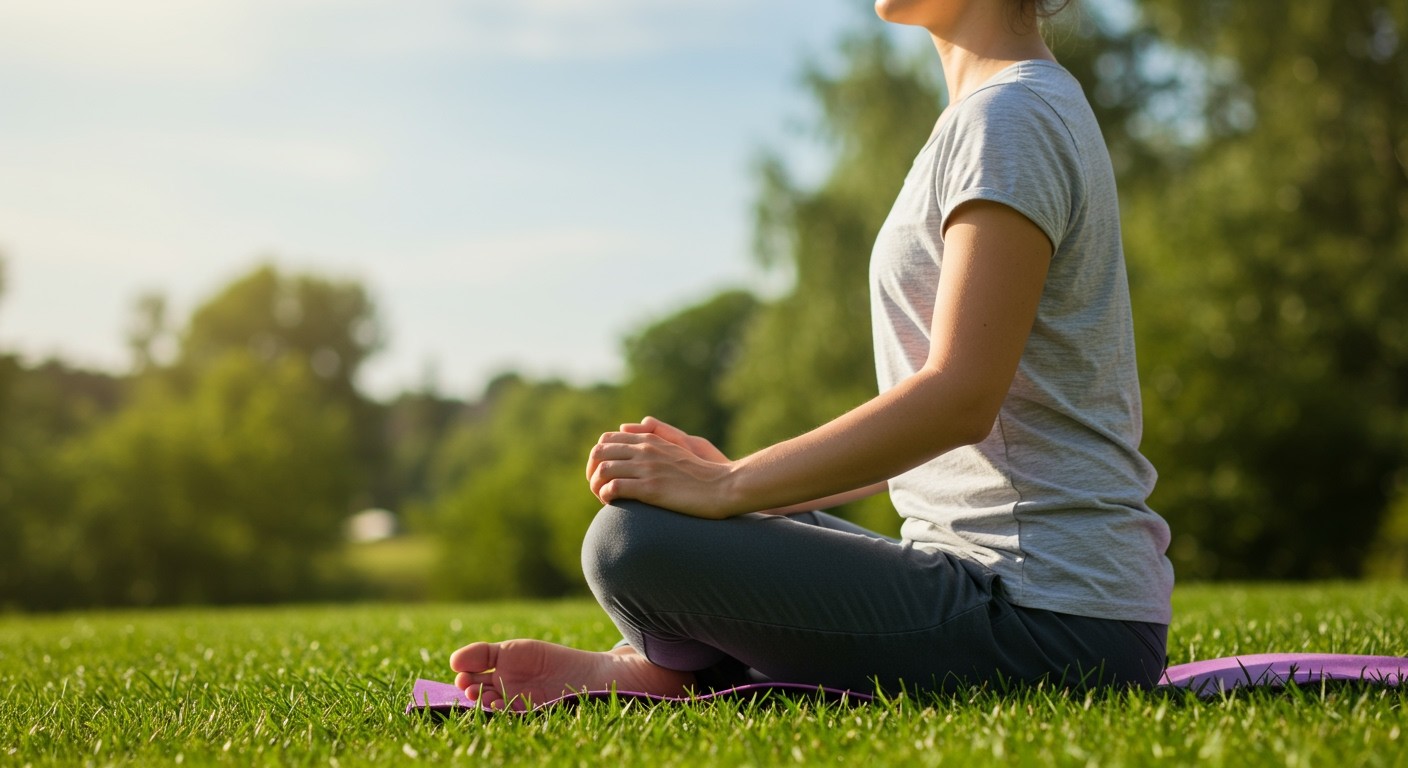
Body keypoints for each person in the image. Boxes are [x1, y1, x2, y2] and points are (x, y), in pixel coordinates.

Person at [449, 0, 1174, 711]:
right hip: (1000, 590)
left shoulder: (1011, 117)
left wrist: (732, 483)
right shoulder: (992, 115)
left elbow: (960, 396)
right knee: (664, 521)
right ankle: (668, 665)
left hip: (1050, 617)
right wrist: (726, 486)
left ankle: (680, 668)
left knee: (632, 543)